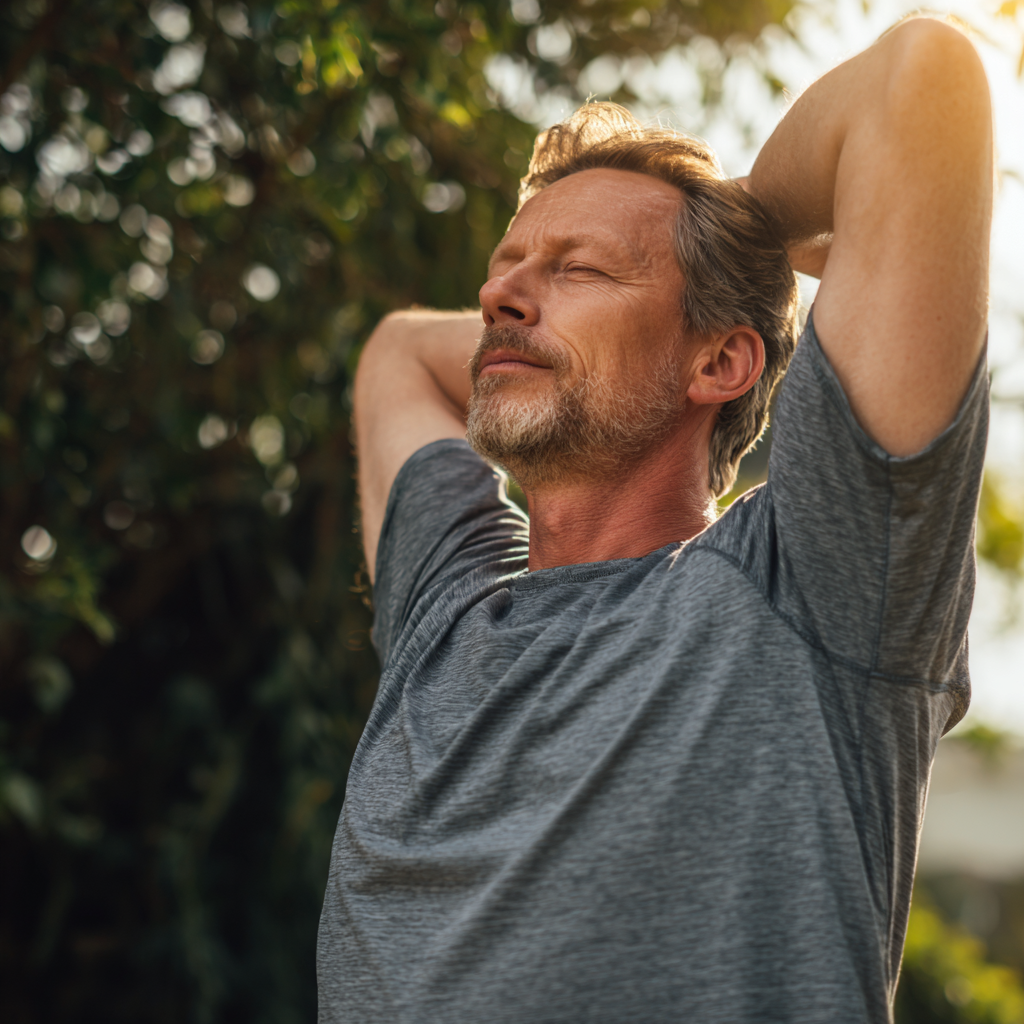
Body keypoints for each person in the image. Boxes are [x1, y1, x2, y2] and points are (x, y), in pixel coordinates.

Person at [318, 16, 992, 1023]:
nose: (501, 292)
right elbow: (397, 355)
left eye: (577, 267)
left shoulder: (809, 588)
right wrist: (575, 327)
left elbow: (921, 84)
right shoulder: (445, 610)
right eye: (505, 268)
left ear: (720, 363)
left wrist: (733, 241)